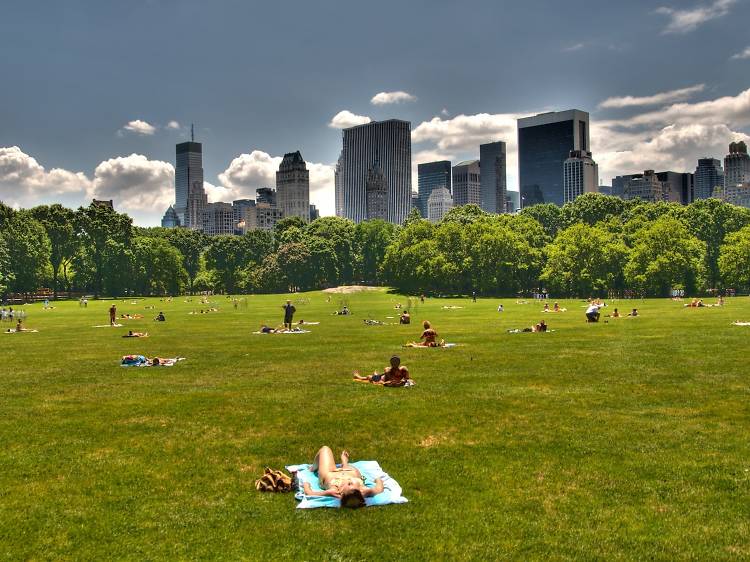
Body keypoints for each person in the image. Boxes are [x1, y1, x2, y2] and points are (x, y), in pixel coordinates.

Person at [302, 447, 384, 508]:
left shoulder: (334, 491)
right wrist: (378, 480)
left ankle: (313, 468)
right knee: (353, 474)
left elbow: (310, 493)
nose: (349, 481)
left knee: (325, 449)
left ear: (341, 493)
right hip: (348, 471)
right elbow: (379, 489)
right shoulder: (364, 490)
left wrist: (306, 486)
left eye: (349, 484)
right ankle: (344, 463)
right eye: (353, 485)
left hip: (329, 473)